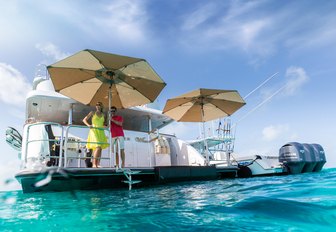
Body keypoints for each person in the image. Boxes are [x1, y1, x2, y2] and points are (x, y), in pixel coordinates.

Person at [83, 102, 109, 168]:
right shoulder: (92, 112)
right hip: (94, 131)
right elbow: (84, 120)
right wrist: (88, 125)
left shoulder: (104, 114)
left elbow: (105, 124)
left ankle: (98, 164)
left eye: (99, 105)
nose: (97, 106)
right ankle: (94, 164)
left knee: (100, 149)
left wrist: (106, 126)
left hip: (101, 131)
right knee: (98, 147)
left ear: (101, 106)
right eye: (96, 104)